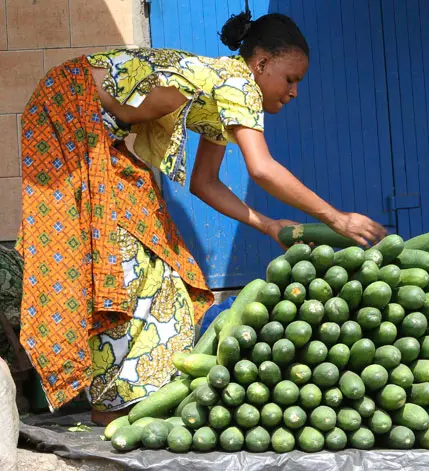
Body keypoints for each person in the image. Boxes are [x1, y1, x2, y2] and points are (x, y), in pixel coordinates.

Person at [16, 6, 386, 424]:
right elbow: (261, 169)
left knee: (166, 267)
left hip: (103, 135)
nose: (294, 91)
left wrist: (269, 225)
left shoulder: (223, 90)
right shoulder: (236, 82)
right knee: (115, 258)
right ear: (261, 63)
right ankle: (111, 400)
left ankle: (133, 393)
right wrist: (337, 218)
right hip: (67, 107)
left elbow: (204, 182)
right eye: (290, 78)